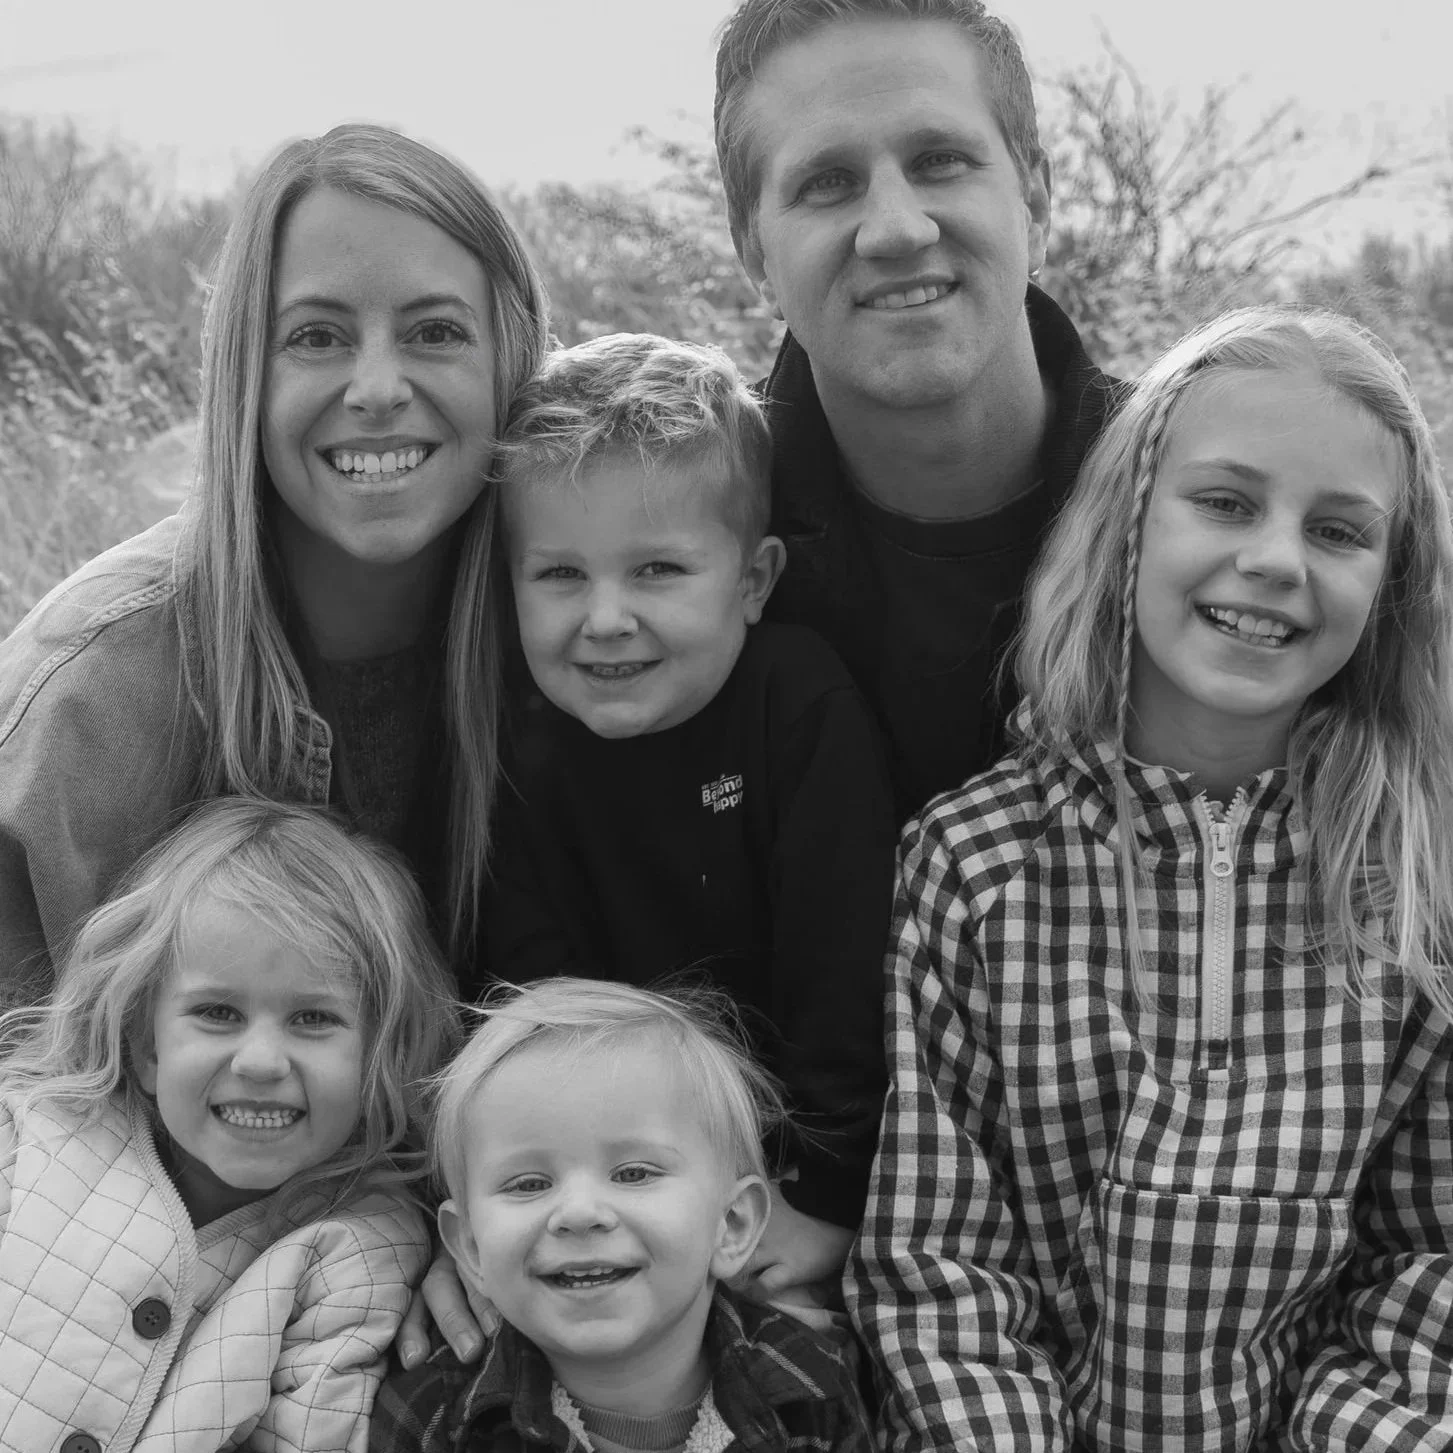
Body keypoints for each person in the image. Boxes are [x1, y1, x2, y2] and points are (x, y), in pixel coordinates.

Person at [849, 306, 1453, 1450]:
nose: (1274, 558)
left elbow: (1426, 1269)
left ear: (1391, 581)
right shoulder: (975, 865)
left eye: (1337, 531)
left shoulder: (1419, 884)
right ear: (1128, 517)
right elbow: (942, 1274)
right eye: (1224, 502)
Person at [0, 123, 549, 994]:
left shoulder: (578, 628)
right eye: (317, 337)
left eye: (436, 332)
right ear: (244, 374)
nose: (375, 388)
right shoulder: (88, 698)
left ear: (509, 359)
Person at [482, 331, 897, 1310]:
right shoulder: (517, 747)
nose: (607, 617)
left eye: (658, 571)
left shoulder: (796, 709)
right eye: (561, 576)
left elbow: (845, 975)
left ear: (751, 582)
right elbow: (528, 995)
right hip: (598, 1187)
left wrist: (825, 1192)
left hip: (794, 1169)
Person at [713, 0, 1125, 820]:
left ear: (1036, 202)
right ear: (754, 250)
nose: (895, 229)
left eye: (939, 160)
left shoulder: (1210, 508)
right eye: (827, 182)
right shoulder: (675, 542)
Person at [0, 796, 461, 1453]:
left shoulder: (360, 1242)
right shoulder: (33, 1136)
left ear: (376, 1061)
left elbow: (313, 1430)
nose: (263, 1061)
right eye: (217, 1012)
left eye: (312, 1019)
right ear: (148, 1048)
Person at [370, 977, 874, 1453]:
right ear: (471, 1247)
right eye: (528, 1184)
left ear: (733, 1224)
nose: (580, 1213)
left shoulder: (809, 1388)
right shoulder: (434, 1418)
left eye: (634, 1174)